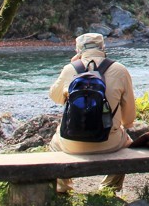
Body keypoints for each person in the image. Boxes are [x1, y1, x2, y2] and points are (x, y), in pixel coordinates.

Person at [49, 32, 136, 194]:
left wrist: (70, 67)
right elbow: (129, 116)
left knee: (54, 143)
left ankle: (62, 188)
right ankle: (108, 188)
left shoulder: (70, 69)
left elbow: (55, 97)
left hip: (71, 143)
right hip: (108, 143)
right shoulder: (119, 70)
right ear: (103, 47)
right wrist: (124, 125)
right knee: (128, 142)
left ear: (78, 49)